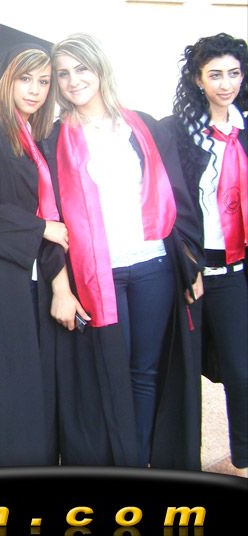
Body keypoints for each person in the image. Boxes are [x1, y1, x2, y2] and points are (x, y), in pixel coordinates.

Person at [39, 33, 203, 469]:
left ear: (99, 69)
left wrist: (190, 264)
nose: (73, 80)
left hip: (153, 266)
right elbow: (48, 216)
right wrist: (60, 286)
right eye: (63, 73)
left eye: (81, 69)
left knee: (145, 373)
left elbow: (178, 198)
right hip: (98, 273)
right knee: (108, 375)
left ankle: (141, 460)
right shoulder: (53, 138)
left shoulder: (143, 126)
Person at [0, 25, 86, 467]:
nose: (35, 90)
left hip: (35, 276)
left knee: (40, 382)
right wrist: (40, 229)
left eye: (44, 81)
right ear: (6, 80)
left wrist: (56, 272)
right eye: (25, 79)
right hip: (0, 279)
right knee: (12, 383)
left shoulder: (39, 136)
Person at [161, 33, 247, 478]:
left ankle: (243, 458)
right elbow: (168, 205)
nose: (226, 83)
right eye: (215, 74)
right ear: (197, 79)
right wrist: (186, 263)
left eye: (234, 73)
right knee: (180, 376)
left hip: (233, 271)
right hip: (186, 270)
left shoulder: (245, 132)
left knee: (242, 370)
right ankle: (179, 467)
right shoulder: (175, 133)